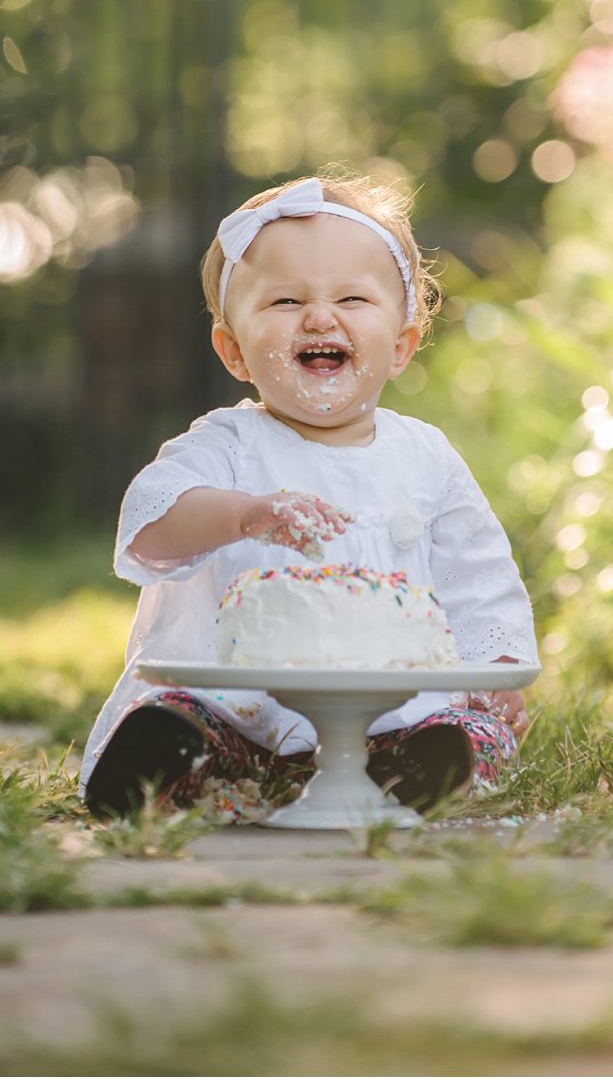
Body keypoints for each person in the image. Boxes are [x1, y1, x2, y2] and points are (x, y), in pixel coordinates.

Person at [80, 170, 536, 821]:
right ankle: (169, 764)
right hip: (241, 711)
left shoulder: (426, 457)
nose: (320, 316)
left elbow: (479, 574)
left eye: (352, 298)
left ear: (402, 345)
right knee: (177, 716)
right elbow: (151, 523)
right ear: (234, 351)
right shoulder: (227, 445)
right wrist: (241, 514)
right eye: (286, 302)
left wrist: (499, 665)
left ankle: (412, 771)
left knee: (475, 736)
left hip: (390, 716)